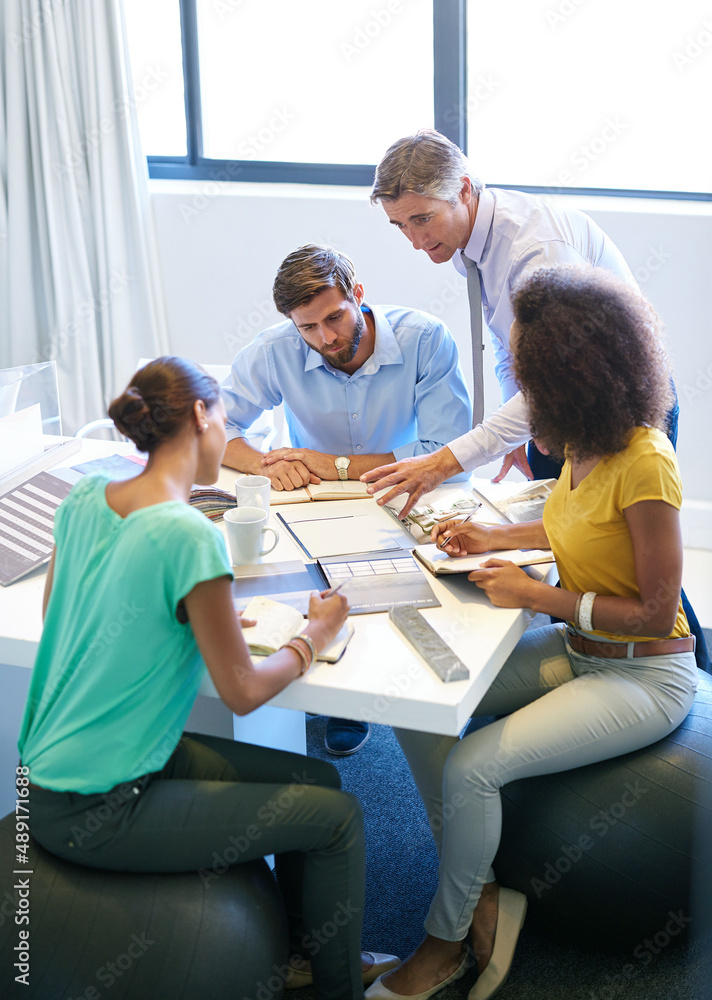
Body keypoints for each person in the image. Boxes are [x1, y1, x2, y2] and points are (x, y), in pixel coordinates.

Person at [365, 265, 699, 1000]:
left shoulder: (647, 463)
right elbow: (571, 523)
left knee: (472, 766)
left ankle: (445, 940)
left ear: (576, 376)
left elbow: (652, 610)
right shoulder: (584, 445)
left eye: (533, 379)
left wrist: (536, 596)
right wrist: (493, 536)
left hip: (644, 674)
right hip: (583, 655)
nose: (525, 397)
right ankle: (482, 891)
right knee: (415, 705)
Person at [17, 357, 399, 1000]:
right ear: (201, 416)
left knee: (319, 778)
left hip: (53, 773)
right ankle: (341, 992)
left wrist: (196, 613)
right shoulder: (191, 534)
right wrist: (317, 635)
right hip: (98, 806)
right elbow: (243, 693)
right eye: (226, 418)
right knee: (339, 819)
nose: (229, 434)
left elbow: (63, 610)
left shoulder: (84, 497)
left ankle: (304, 956)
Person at [361, 128, 709, 674]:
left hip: (617, 410)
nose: (413, 240)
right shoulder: (463, 241)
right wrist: (523, 433)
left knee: (628, 564)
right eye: (399, 224)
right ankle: (587, 670)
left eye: (422, 218)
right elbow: (513, 351)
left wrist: (448, 460)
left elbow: (566, 367)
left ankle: (681, 678)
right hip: (559, 411)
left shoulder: (536, 248)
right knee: (578, 546)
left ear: (467, 190)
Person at [222, 243, 472, 753]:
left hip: (410, 492)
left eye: (334, 317)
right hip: (315, 504)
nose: (326, 338)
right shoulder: (276, 350)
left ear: (358, 294)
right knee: (308, 591)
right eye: (308, 327)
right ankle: (342, 698)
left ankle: (417, 697)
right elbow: (213, 429)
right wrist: (267, 462)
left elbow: (446, 451)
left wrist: (335, 466)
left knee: (426, 606)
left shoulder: (425, 339)